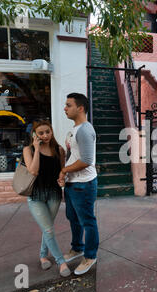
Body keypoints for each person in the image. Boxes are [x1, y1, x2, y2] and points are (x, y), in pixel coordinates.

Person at [22, 120, 71, 277]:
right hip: (36, 196)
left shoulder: (59, 150)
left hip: (54, 194)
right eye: (41, 133)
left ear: (52, 132)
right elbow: (33, 171)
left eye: (47, 132)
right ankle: (61, 261)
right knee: (49, 229)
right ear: (35, 135)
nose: (45, 135)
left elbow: (62, 172)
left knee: (47, 227)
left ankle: (43, 255)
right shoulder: (28, 150)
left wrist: (62, 179)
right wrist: (36, 149)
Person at [58, 93, 99, 276]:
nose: (65, 108)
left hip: (84, 184)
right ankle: (77, 248)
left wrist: (65, 171)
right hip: (72, 183)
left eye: (68, 105)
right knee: (73, 219)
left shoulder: (85, 130)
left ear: (80, 108)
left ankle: (90, 256)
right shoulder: (73, 130)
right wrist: (63, 173)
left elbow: (87, 160)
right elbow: (71, 157)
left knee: (87, 221)